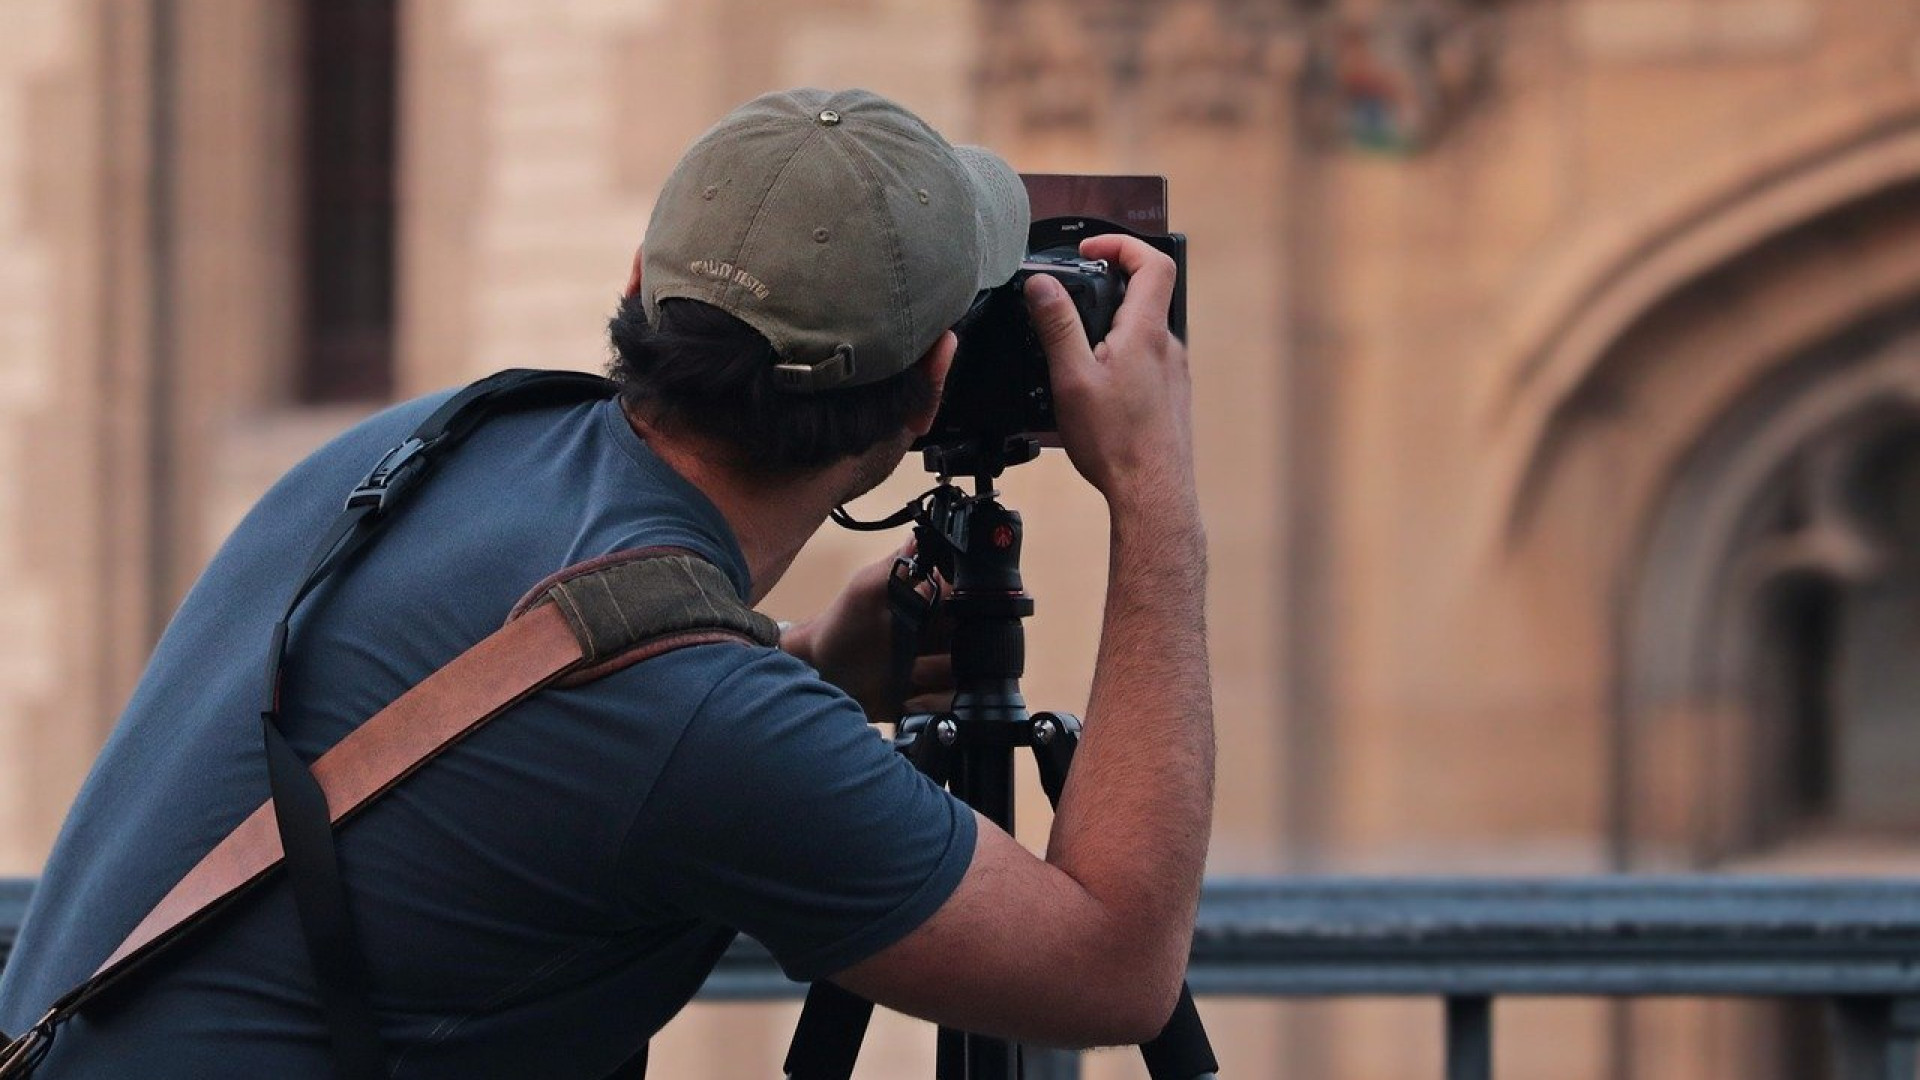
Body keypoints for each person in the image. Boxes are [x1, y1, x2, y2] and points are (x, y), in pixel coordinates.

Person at [0, 87, 1212, 1077]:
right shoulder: (698, 720)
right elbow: (1114, 968)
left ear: (640, 283)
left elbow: (556, 736)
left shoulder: (438, 441)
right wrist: (1154, 498)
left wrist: (798, 667)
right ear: (932, 381)